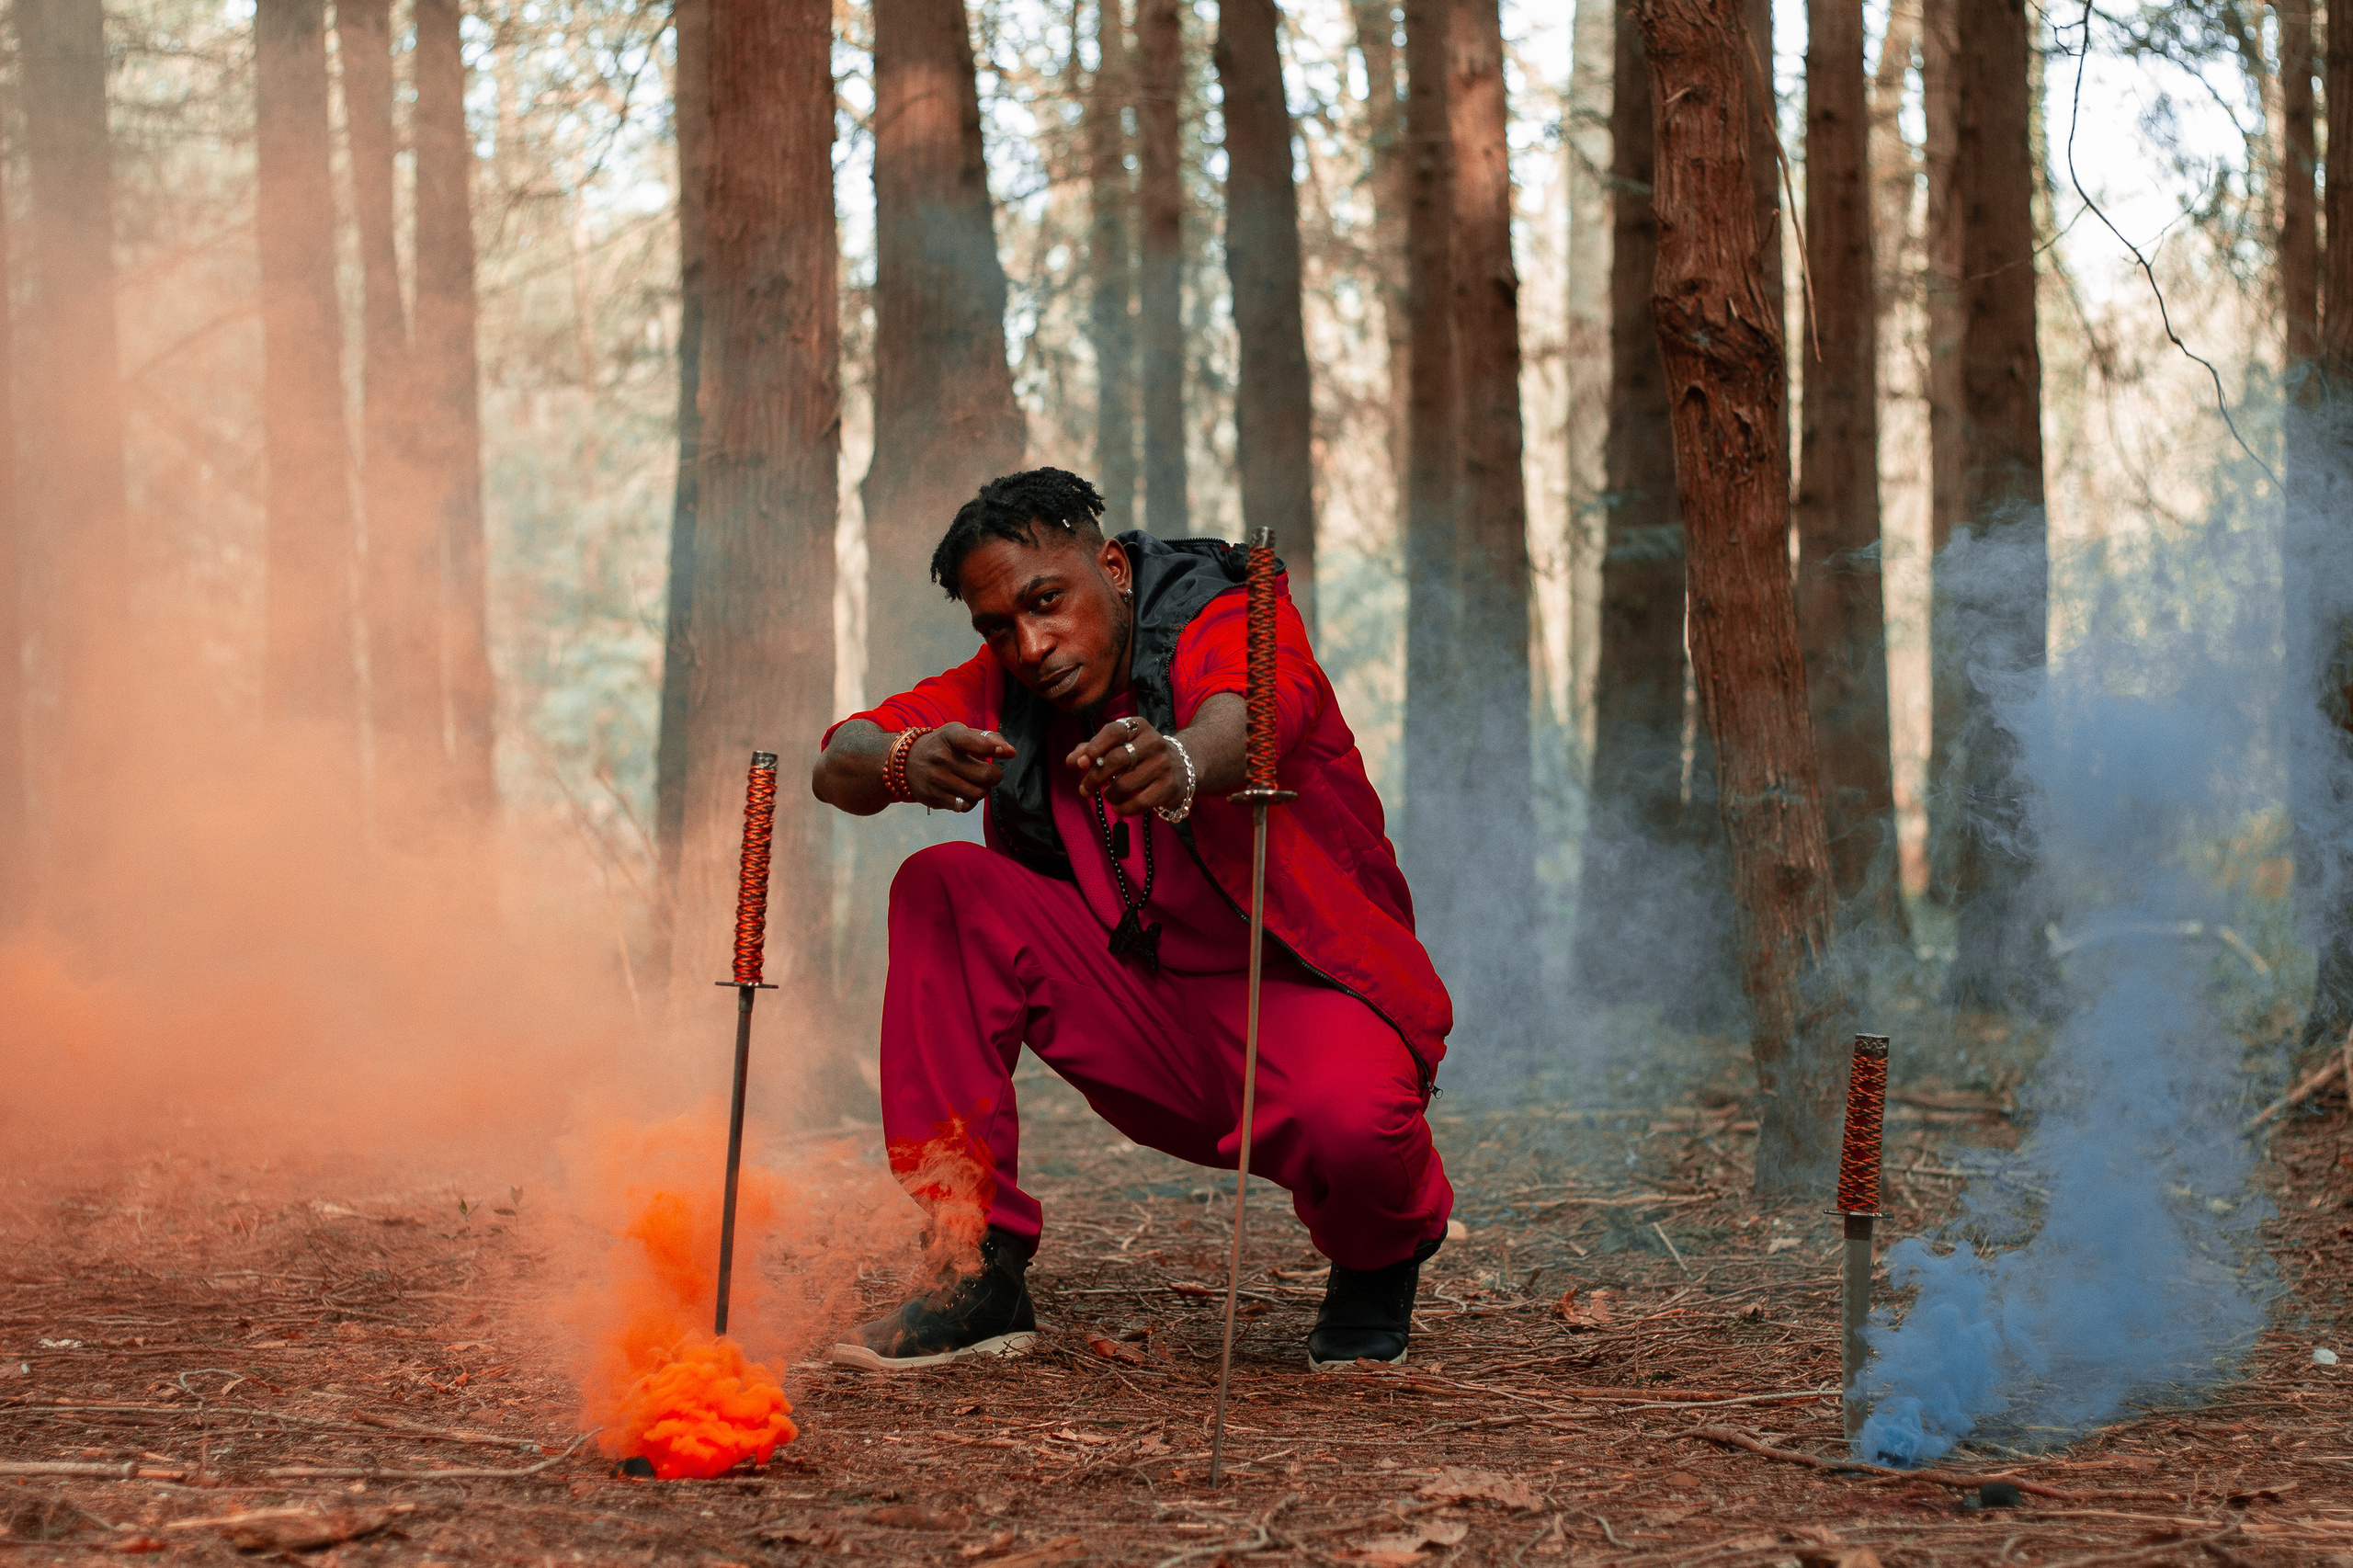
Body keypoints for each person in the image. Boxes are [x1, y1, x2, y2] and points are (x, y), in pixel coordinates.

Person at [812, 467, 1454, 1372]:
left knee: (1353, 1122)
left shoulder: (1222, 617)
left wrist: (1184, 761)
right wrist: (904, 757)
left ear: (1109, 566)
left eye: (1047, 601)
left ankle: (1377, 1257)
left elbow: (1260, 709)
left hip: (1302, 996)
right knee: (944, 881)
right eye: (999, 625)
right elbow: (838, 757)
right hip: (1145, 1017)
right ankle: (973, 1270)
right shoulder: (1007, 683)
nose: (1031, 644)